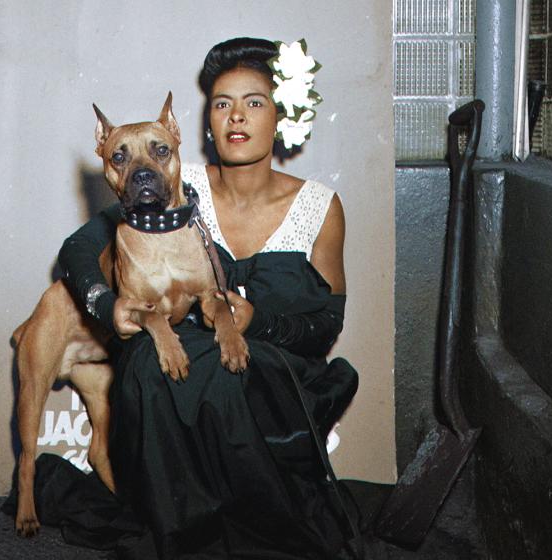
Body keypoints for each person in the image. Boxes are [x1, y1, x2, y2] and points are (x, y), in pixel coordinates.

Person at [22, 37, 359, 559]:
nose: (236, 117)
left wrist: (258, 322)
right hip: (174, 377)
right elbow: (78, 250)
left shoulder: (319, 205)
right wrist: (105, 304)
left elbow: (326, 322)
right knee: (152, 364)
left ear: (281, 116)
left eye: (254, 102)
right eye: (223, 104)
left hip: (270, 375)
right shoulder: (173, 183)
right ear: (204, 123)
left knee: (221, 376)